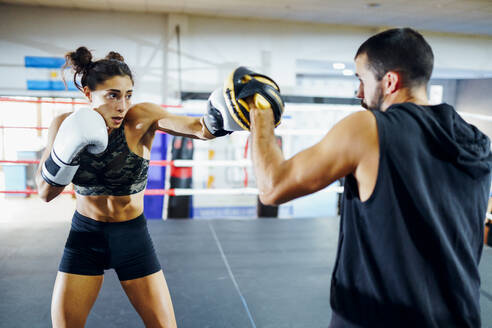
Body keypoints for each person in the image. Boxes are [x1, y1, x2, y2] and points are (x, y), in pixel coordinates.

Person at [248, 27, 492, 327]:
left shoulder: (369, 128)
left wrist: (259, 113)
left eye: (362, 80)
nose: (359, 93)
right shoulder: (477, 141)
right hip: (460, 317)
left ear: (390, 81)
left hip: (377, 317)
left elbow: (272, 187)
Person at [35, 47, 228, 328]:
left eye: (128, 95)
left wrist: (227, 115)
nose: (122, 106)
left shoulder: (141, 117)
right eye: (112, 95)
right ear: (89, 93)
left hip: (132, 238)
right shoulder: (64, 124)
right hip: (85, 238)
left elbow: (199, 128)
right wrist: (67, 151)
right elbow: (44, 192)